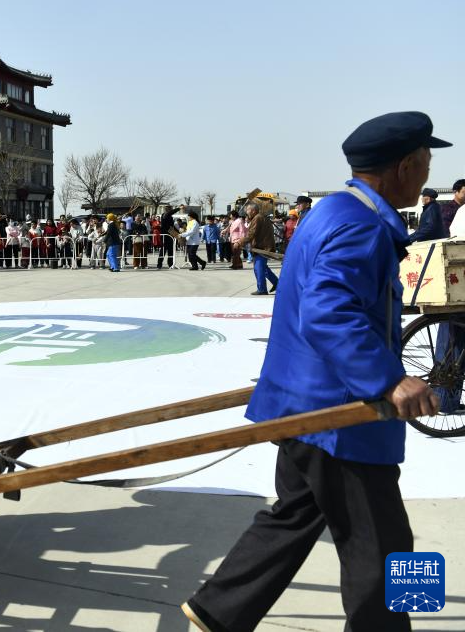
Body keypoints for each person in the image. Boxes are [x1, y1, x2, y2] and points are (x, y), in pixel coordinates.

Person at [182, 110, 450, 632]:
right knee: (387, 549)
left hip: (302, 405)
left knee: (294, 516)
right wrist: (390, 379)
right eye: (425, 162)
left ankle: (217, 611)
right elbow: (328, 312)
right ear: (404, 166)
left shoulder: (332, 211)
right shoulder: (360, 226)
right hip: (340, 417)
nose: (427, 173)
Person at [236, 201, 278, 295]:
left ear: (253, 211)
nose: (246, 212)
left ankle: (262, 289)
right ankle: (277, 283)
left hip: (261, 248)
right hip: (263, 247)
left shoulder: (257, 218)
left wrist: (239, 242)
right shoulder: (261, 217)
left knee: (258, 269)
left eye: (248, 210)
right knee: (263, 268)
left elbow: (251, 234)